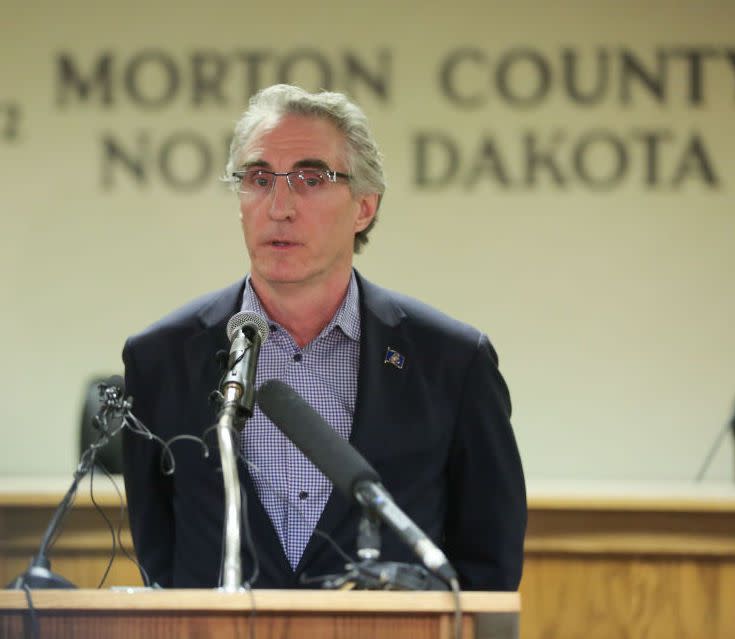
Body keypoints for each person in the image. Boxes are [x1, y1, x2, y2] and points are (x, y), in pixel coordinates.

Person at [121, 84, 527, 591]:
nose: (279, 206)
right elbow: (160, 557)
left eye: (311, 179)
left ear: (364, 207)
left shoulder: (451, 362)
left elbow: (490, 566)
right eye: (258, 178)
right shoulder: (160, 360)